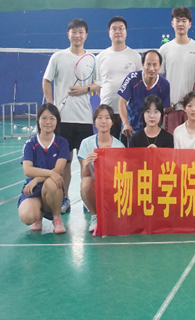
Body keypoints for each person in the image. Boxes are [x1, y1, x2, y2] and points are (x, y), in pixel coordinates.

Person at [42, 18, 98, 215]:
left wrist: (86, 89)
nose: (77, 35)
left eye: (81, 32)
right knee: (64, 162)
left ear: (86, 35)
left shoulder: (92, 59)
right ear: (68, 35)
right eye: (74, 32)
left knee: (86, 163)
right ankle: (64, 198)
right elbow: (46, 80)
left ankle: (86, 198)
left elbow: (98, 85)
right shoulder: (58, 57)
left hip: (84, 119)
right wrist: (51, 105)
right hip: (63, 120)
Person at [17, 103, 69, 234]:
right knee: (27, 217)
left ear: (57, 121)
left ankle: (57, 218)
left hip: (51, 188)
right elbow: (28, 170)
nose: (48, 122)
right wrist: (48, 174)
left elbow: (58, 170)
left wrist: (36, 179)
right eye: (44, 118)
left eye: (52, 118)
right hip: (33, 188)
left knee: (52, 181)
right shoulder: (30, 144)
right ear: (38, 120)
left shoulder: (62, 143)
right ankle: (37, 215)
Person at [159, 7, 195, 134]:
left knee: (193, 142)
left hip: (192, 108)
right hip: (171, 108)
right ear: (172, 23)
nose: (181, 24)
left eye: (184, 20)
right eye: (178, 20)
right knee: (172, 143)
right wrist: (164, 101)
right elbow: (159, 79)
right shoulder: (165, 49)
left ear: (190, 24)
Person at [78, 104, 126, 232]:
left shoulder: (119, 147)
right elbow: (84, 175)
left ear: (112, 122)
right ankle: (95, 215)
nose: (103, 121)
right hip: (94, 186)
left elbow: (122, 176)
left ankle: (112, 212)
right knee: (85, 183)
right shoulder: (86, 143)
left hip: (112, 187)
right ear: (94, 121)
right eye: (99, 117)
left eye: (107, 118)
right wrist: (86, 164)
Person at [95, 16, 142, 142]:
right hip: (108, 112)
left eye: (121, 28)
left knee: (129, 149)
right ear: (109, 33)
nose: (118, 32)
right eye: (114, 29)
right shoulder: (100, 57)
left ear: (126, 32)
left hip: (130, 113)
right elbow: (97, 85)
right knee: (108, 147)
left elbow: (140, 84)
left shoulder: (135, 56)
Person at [118, 50, 171, 137]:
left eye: (155, 65)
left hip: (152, 133)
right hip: (131, 131)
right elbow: (121, 102)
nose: (151, 69)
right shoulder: (132, 78)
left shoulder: (164, 84)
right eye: (148, 64)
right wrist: (126, 124)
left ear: (160, 66)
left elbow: (163, 111)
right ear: (143, 65)